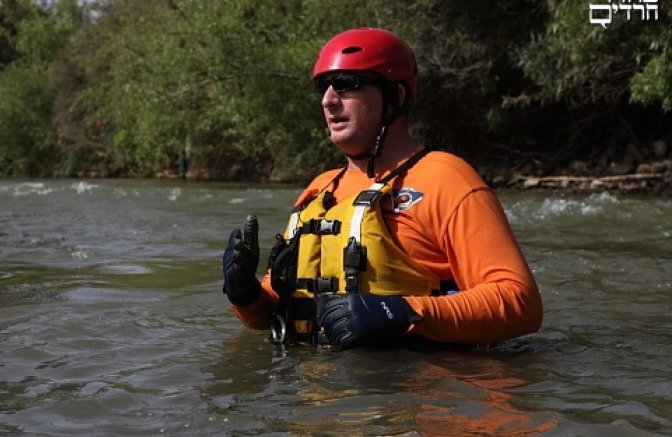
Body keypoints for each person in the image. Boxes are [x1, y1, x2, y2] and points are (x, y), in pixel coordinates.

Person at [222, 27, 542, 349]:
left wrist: (405, 312)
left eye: (348, 85)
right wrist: (246, 294)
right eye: (323, 87)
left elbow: (521, 303)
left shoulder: (447, 178)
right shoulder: (319, 190)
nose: (329, 100)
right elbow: (272, 311)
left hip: (412, 390)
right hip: (312, 391)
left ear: (396, 96)